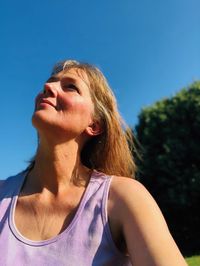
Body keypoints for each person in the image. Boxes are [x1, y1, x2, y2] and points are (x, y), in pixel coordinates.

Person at [0, 60, 187, 266]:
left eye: (70, 86)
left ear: (94, 125)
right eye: (50, 82)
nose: (48, 87)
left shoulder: (123, 198)